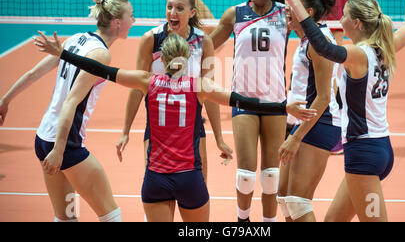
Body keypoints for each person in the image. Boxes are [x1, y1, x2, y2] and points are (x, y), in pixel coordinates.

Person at [34, 32, 318, 222]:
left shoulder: (147, 81)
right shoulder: (199, 87)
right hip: (190, 180)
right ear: (188, 58)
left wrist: (63, 54)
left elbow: (102, 70)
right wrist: (285, 108)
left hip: (155, 179)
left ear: (163, 59)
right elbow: (244, 100)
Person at [276, 0, 405, 221]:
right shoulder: (386, 47)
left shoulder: (358, 55)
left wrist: (295, 1)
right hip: (378, 148)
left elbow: (324, 47)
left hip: (363, 154)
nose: (338, 19)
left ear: (355, 23)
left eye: (343, 15)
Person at [0, 0, 135, 222]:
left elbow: (34, 74)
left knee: (65, 217)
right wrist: (60, 151)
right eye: (131, 16)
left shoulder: (76, 39)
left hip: (43, 138)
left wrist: (5, 100)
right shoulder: (101, 54)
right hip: (65, 144)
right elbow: (71, 102)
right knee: (111, 214)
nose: (134, 20)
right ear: (117, 22)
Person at [119, 0, 232, 191]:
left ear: (192, 13)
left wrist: (219, 139)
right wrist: (125, 131)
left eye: (180, 8)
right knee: (156, 188)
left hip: (192, 128)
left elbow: (211, 92)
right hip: (158, 127)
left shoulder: (203, 41)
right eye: (169, 7)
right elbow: (137, 87)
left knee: (197, 191)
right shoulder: (151, 39)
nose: (172, 12)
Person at [210, 0, 288, 222]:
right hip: (243, 100)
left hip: (275, 101)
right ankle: (243, 221)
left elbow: (314, 34)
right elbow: (209, 46)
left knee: (271, 175)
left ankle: (268, 223)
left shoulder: (285, 14)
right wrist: (181, 53)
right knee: (245, 174)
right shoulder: (235, 14)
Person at [276, 0, 342, 222]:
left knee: (297, 201)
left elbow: (324, 97)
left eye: (291, 5)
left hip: (320, 123)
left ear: (309, 12)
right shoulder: (307, 40)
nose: (286, 10)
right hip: (304, 121)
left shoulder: (319, 42)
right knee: (284, 198)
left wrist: (295, 137)